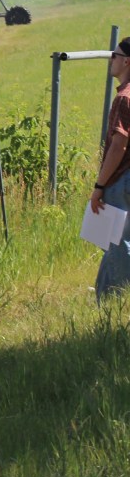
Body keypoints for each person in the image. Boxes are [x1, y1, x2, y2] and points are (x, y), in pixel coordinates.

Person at [92, 38, 130, 301]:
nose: (111, 59)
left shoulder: (123, 98)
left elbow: (119, 145)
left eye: (114, 55)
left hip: (121, 181)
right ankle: (103, 296)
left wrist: (99, 185)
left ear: (127, 61)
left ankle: (115, 300)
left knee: (117, 243)